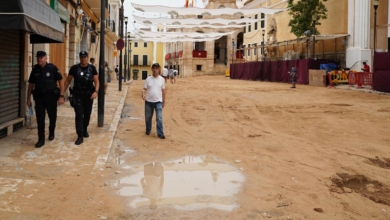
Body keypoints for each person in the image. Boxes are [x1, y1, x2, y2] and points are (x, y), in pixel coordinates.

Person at [26, 51, 65, 148]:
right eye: (38, 57)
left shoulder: (52, 68)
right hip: (39, 97)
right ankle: (41, 139)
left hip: (51, 97)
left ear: (46, 58)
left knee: (52, 116)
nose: (39, 59)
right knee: (40, 118)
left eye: (41, 57)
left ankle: (51, 132)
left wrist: (61, 96)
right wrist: (28, 99)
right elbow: (31, 85)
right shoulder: (35, 70)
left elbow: (61, 81)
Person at [64, 51, 99, 145]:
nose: (83, 59)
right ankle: (79, 135)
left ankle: (84, 129)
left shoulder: (92, 68)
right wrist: (61, 93)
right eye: (81, 57)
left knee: (87, 114)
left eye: (85, 57)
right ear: (79, 58)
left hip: (89, 96)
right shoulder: (74, 68)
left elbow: (96, 81)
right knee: (79, 115)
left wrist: (96, 92)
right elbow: (67, 81)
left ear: (87, 58)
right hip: (78, 95)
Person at [142, 63, 166, 139]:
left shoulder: (162, 79)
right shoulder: (148, 79)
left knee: (159, 117)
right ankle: (148, 130)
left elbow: (163, 91)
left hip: (158, 101)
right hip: (149, 101)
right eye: (154, 68)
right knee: (148, 117)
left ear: (159, 69)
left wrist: (163, 101)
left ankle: (160, 133)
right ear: (152, 69)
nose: (155, 70)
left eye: (156, 68)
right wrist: (143, 94)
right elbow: (144, 89)